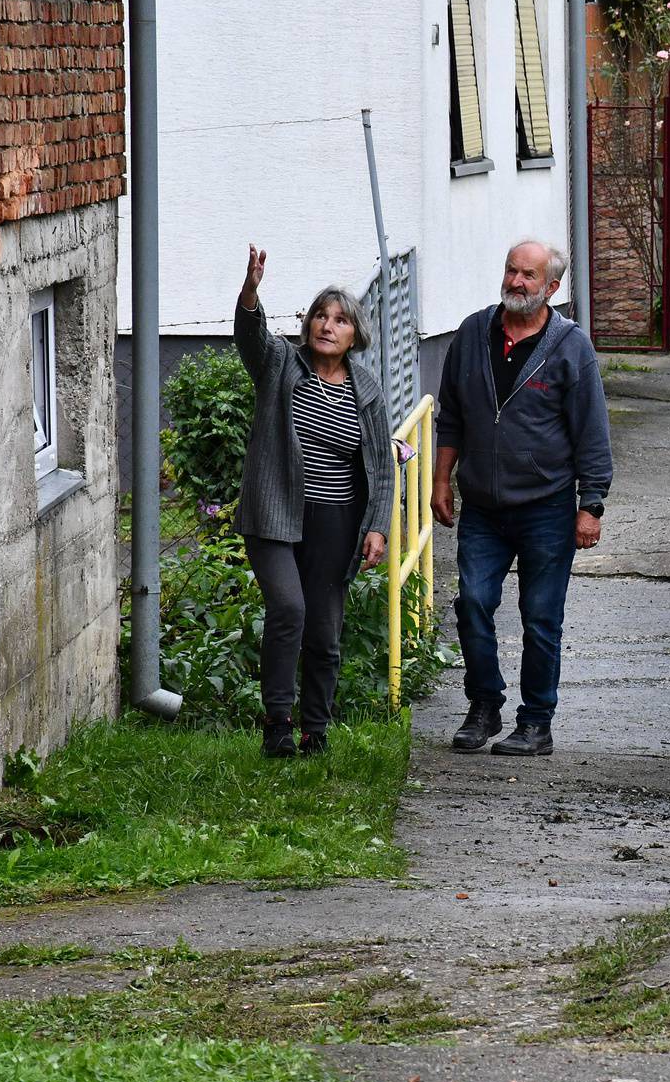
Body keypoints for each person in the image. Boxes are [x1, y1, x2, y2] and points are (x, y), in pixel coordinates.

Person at [432, 239, 612, 757]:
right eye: (511, 270)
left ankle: (536, 722)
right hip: (483, 508)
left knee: (539, 617)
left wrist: (590, 504)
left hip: (546, 508)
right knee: (471, 604)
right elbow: (451, 416)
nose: (516, 281)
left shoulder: (570, 346)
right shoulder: (472, 332)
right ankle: (484, 706)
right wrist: (442, 481)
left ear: (551, 287)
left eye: (529, 275)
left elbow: (592, 433)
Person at [233, 245, 394, 758]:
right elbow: (251, 340)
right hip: (276, 514)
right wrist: (251, 293)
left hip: (336, 522)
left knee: (324, 633)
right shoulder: (282, 364)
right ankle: (278, 723)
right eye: (321, 316)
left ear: (355, 335)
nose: (328, 325)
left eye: (341, 319)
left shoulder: (365, 391)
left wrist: (377, 526)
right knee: (288, 609)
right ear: (309, 325)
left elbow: (381, 468)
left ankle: (315, 730)